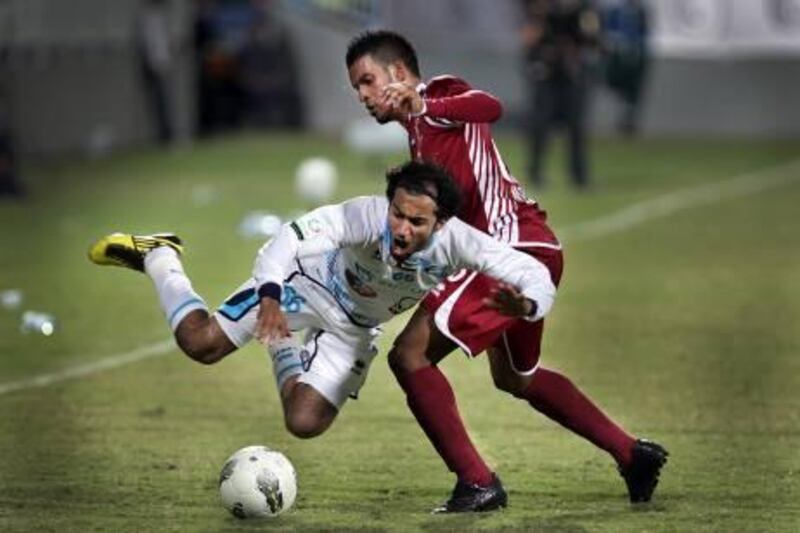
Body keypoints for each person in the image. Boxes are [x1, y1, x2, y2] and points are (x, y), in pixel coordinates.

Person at [346, 29, 667, 512]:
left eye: (367, 81)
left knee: (410, 355)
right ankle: (632, 453)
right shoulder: (416, 135)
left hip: (512, 250)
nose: (364, 96)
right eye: (356, 88)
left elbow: (490, 105)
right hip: (527, 251)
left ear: (397, 73)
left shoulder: (441, 94)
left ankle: (477, 482)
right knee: (518, 379)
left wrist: (422, 104)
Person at [87, 161, 556, 446]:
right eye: (397, 213)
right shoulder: (363, 215)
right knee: (199, 343)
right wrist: (270, 296)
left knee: (304, 422)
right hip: (303, 285)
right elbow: (285, 241)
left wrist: (528, 305)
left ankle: (281, 346)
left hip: (353, 329)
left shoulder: (462, 244)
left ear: (441, 223)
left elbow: (533, 273)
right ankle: (161, 256)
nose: (400, 228)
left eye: (416, 221)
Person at [520, 0, 600, 189]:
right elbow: (528, 40)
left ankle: (579, 176)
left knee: (576, 126)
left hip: (570, 74)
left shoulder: (583, 10)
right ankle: (535, 172)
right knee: (540, 125)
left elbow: (592, 39)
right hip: (546, 74)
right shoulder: (540, 10)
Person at [602, 0, 650, 136]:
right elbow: (609, 31)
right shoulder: (616, 11)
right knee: (616, 85)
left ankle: (628, 122)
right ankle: (625, 114)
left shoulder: (641, 12)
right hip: (618, 55)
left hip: (635, 55)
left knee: (634, 91)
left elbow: (644, 33)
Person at [136, 0, 175, 145]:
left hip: (162, 66)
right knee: (159, 104)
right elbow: (148, 46)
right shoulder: (146, 18)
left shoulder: (160, 17)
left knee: (165, 104)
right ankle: (163, 136)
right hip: (154, 68)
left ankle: (167, 135)